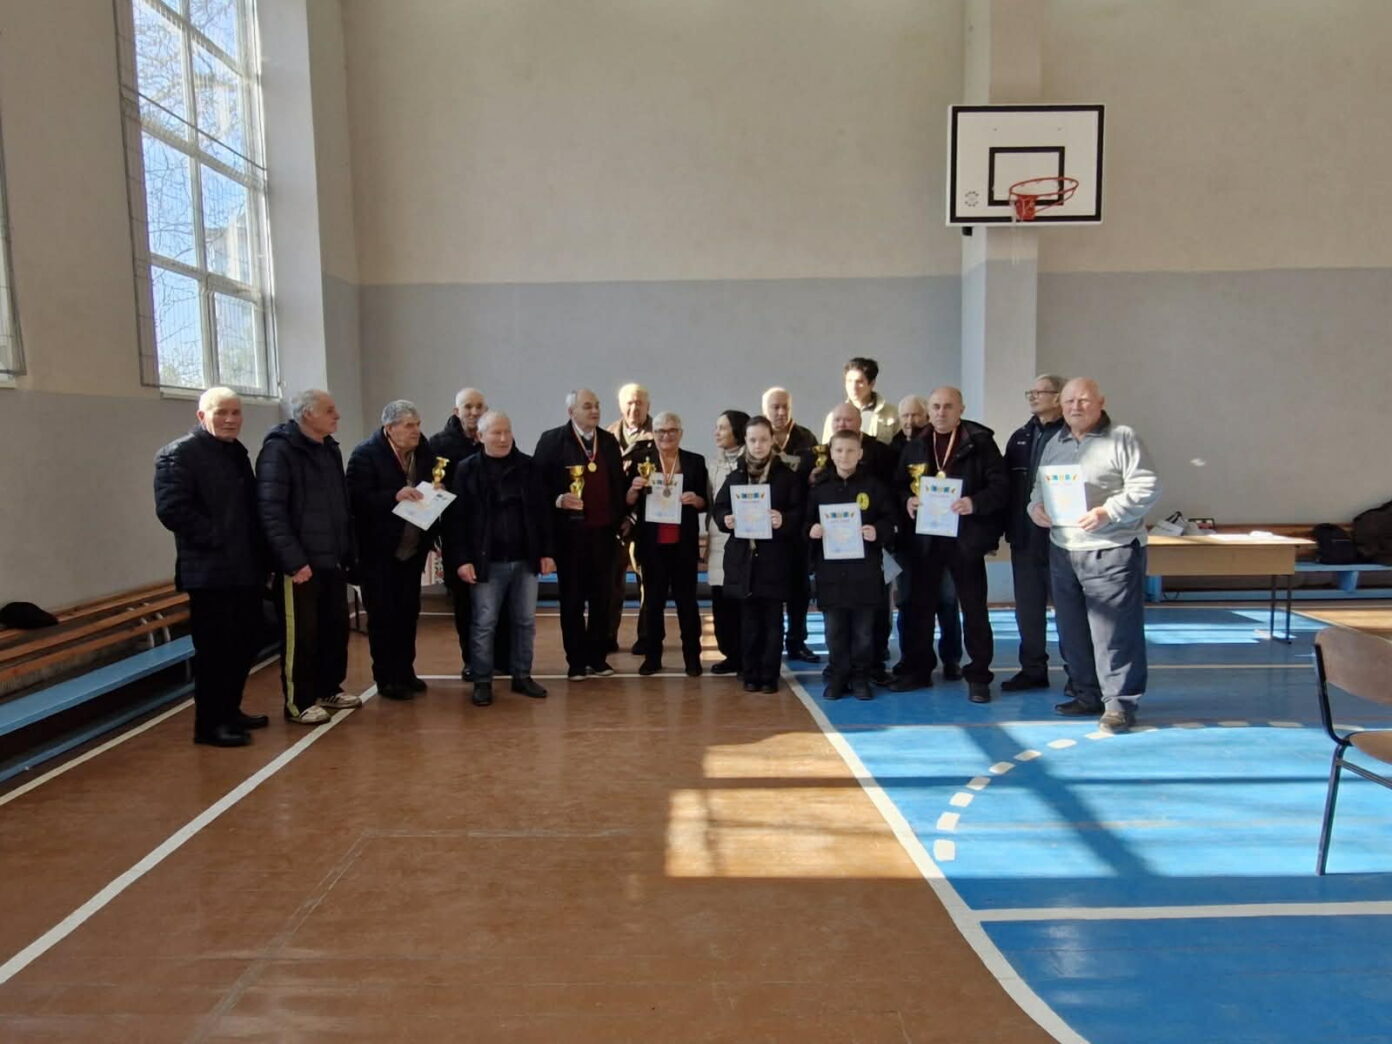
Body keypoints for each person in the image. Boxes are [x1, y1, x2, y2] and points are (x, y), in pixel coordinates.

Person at [1029, 378, 1160, 733]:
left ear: (1101, 402)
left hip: (1112, 550)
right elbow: (1038, 488)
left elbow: (1147, 486)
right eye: (1069, 401)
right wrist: (1035, 508)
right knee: (1072, 629)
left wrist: (1108, 512)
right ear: (1061, 405)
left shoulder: (1123, 438)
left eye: (1084, 400)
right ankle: (1087, 694)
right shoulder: (1054, 443)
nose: (1076, 406)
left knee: (1114, 633)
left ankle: (1119, 704)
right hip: (1064, 549)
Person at [154, 387, 269, 747]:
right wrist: (221, 538)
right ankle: (209, 725)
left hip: (245, 571)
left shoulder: (236, 452)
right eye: (221, 412)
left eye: (236, 412)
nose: (230, 419)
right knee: (215, 652)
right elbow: (172, 510)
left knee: (246, 643)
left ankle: (230, 711)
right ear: (202, 416)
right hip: (209, 574)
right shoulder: (178, 454)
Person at [890, 387, 1008, 703]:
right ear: (929, 411)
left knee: (973, 609)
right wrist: (908, 501)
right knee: (919, 607)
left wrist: (975, 502)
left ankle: (979, 675)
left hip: (965, 539)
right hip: (925, 540)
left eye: (948, 406)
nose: (941, 412)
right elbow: (898, 485)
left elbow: (1001, 486)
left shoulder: (980, 443)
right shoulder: (916, 445)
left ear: (961, 410)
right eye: (936, 407)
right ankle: (919, 670)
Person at [257, 389, 358, 725]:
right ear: (307, 414)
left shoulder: (330, 449)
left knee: (335, 629)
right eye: (329, 410)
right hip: (300, 565)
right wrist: (293, 560)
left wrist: (347, 551)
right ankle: (298, 701)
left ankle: (329, 688)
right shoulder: (279, 451)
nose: (337, 415)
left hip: (332, 559)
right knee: (301, 635)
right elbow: (271, 511)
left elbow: (340, 505)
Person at [446, 410, 555, 707]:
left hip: (525, 560)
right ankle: (482, 680)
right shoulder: (466, 470)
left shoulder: (529, 467)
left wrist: (547, 552)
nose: (504, 438)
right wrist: (462, 559)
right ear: (481, 436)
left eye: (507, 431)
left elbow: (543, 514)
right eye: (496, 433)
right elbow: (456, 520)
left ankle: (522, 675)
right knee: (484, 623)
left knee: (525, 621)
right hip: (486, 562)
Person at [533, 388, 626, 682]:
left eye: (597, 405)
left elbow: (618, 485)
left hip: (603, 535)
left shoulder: (608, 441)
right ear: (571, 411)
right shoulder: (552, 441)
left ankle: (597, 657)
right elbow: (536, 487)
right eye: (587, 406)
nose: (595, 411)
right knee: (572, 600)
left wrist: (622, 518)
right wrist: (558, 499)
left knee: (602, 599)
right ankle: (575, 661)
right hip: (569, 538)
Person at [346, 400, 436, 701]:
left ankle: (406, 671)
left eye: (417, 424)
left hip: (411, 550)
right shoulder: (365, 455)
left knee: (408, 614)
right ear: (389, 428)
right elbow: (355, 500)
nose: (416, 431)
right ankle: (386, 678)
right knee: (383, 617)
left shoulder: (424, 452)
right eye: (409, 425)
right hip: (378, 553)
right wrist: (393, 496)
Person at [714, 416, 805, 693]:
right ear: (745, 441)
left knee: (773, 622)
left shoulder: (787, 476)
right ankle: (750, 672)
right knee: (749, 622)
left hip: (775, 561)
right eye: (752, 440)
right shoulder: (736, 476)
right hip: (744, 562)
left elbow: (801, 512)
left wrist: (784, 519)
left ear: (772, 441)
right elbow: (719, 507)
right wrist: (726, 519)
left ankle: (769, 675)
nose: (758, 445)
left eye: (763, 439)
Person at [807, 430, 895, 701]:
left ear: (860, 454)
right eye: (839, 450)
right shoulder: (819, 490)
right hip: (831, 575)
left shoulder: (875, 487)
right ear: (831, 454)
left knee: (864, 633)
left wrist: (877, 531)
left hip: (865, 573)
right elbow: (804, 523)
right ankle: (838, 676)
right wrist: (812, 530)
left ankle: (860, 677)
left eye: (850, 450)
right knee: (834, 632)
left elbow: (891, 521)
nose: (844, 456)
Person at [625, 411, 708, 677]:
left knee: (687, 604)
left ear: (680, 433)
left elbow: (705, 502)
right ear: (654, 433)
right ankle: (652, 657)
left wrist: (695, 500)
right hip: (652, 545)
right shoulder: (641, 460)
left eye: (672, 430)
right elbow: (626, 501)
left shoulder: (695, 461)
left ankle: (692, 658)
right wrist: (634, 488)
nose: (666, 436)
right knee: (653, 603)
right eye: (661, 431)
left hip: (683, 544)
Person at [432, 386, 507, 680]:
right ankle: (472, 660)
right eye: (468, 407)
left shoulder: (496, 439)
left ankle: (500, 657)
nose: (474, 412)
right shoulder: (438, 445)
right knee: (465, 605)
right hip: (460, 537)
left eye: (479, 406)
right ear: (456, 411)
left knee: (499, 603)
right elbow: (427, 488)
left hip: (496, 538)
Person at [1002, 374, 1068, 691]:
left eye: (1040, 391)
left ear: (1058, 397)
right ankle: (1032, 669)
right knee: (1028, 609)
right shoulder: (1019, 438)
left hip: (1062, 539)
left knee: (1068, 609)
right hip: (1025, 538)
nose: (1032, 396)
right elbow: (1006, 488)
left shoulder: (1071, 437)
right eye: (1030, 391)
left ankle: (1078, 673)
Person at [890, 393, 963, 681]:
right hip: (910, 541)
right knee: (908, 602)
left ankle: (951, 658)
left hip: (947, 537)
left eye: (916, 415)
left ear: (927, 416)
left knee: (947, 600)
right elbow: (896, 488)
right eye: (905, 416)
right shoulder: (897, 448)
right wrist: (906, 499)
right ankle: (910, 658)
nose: (910, 421)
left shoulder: (947, 445)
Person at [762, 386, 819, 663]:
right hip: (766, 525)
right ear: (765, 409)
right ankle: (766, 641)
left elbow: (817, 473)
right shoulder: (759, 436)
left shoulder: (806, 438)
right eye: (775, 407)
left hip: (798, 524)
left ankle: (797, 641)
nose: (781, 411)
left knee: (800, 588)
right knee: (768, 587)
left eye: (785, 406)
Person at [607, 382, 656, 656]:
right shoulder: (606, 437)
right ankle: (607, 636)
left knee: (646, 583)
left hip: (645, 523)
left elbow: (661, 486)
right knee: (611, 583)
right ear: (620, 405)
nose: (634, 407)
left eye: (639, 402)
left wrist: (634, 518)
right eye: (629, 402)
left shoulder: (658, 436)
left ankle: (647, 638)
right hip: (614, 523)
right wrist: (618, 516)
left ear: (648, 405)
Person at [706, 409, 749, 676]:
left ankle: (747, 656)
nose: (717, 432)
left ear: (737, 431)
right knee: (721, 603)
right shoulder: (713, 464)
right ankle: (730, 654)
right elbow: (712, 502)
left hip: (744, 542)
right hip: (717, 540)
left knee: (742, 601)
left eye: (722, 427)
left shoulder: (752, 461)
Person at [821, 356, 900, 445]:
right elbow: (827, 449)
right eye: (849, 381)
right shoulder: (834, 417)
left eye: (859, 382)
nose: (853, 387)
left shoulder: (892, 414)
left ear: (872, 383)